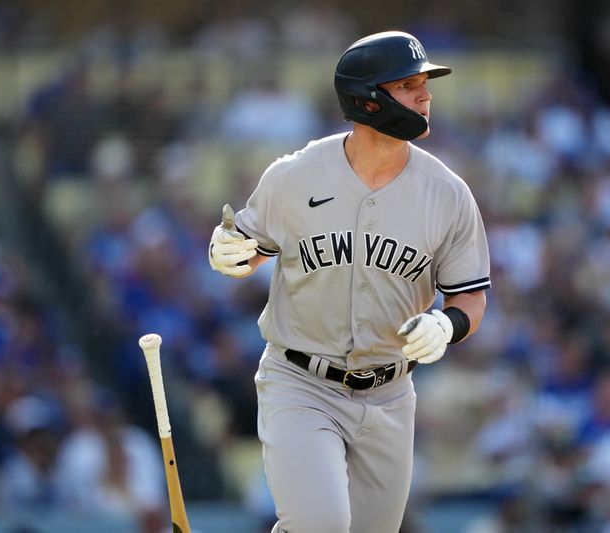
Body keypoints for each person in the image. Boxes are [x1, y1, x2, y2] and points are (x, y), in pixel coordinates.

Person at [208, 30, 491, 533]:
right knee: (321, 526)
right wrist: (227, 251)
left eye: (424, 83)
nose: (425, 95)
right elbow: (249, 246)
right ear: (367, 99)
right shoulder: (293, 176)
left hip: (389, 394)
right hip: (300, 383)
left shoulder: (448, 194)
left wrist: (447, 326)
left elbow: (470, 295)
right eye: (407, 85)